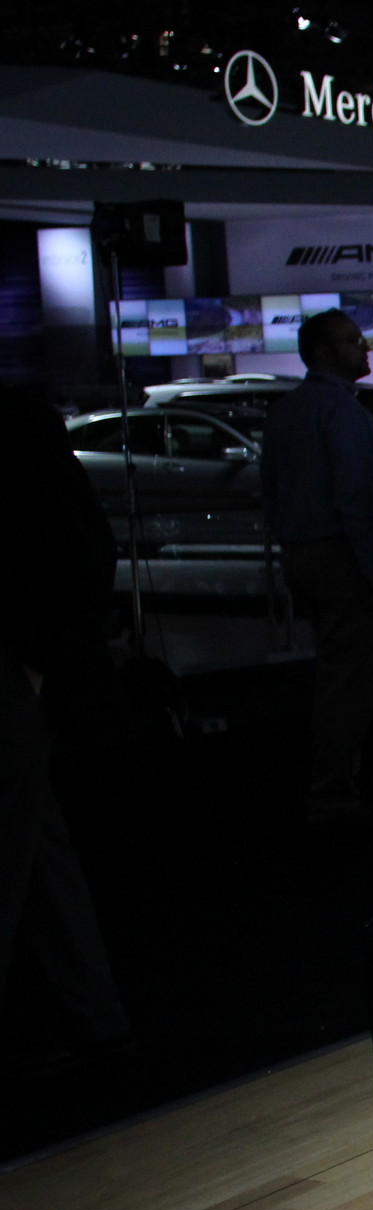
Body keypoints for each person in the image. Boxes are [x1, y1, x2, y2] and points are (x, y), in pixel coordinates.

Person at [0, 385, 132, 1069]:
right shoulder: (24, 421)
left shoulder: (18, 426)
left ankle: (88, 1011)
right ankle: (89, 1011)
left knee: (26, 843)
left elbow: (72, 550)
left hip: (18, 666)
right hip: (25, 667)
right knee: (36, 845)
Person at [260, 308, 373, 822]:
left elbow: (270, 489)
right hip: (339, 554)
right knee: (351, 678)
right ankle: (335, 789)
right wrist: (371, 566)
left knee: (331, 670)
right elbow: (355, 497)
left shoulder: (286, 410)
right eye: (353, 340)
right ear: (323, 352)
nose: (365, 347)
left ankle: (330, 780)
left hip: (300, 554)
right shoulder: (344, 413)